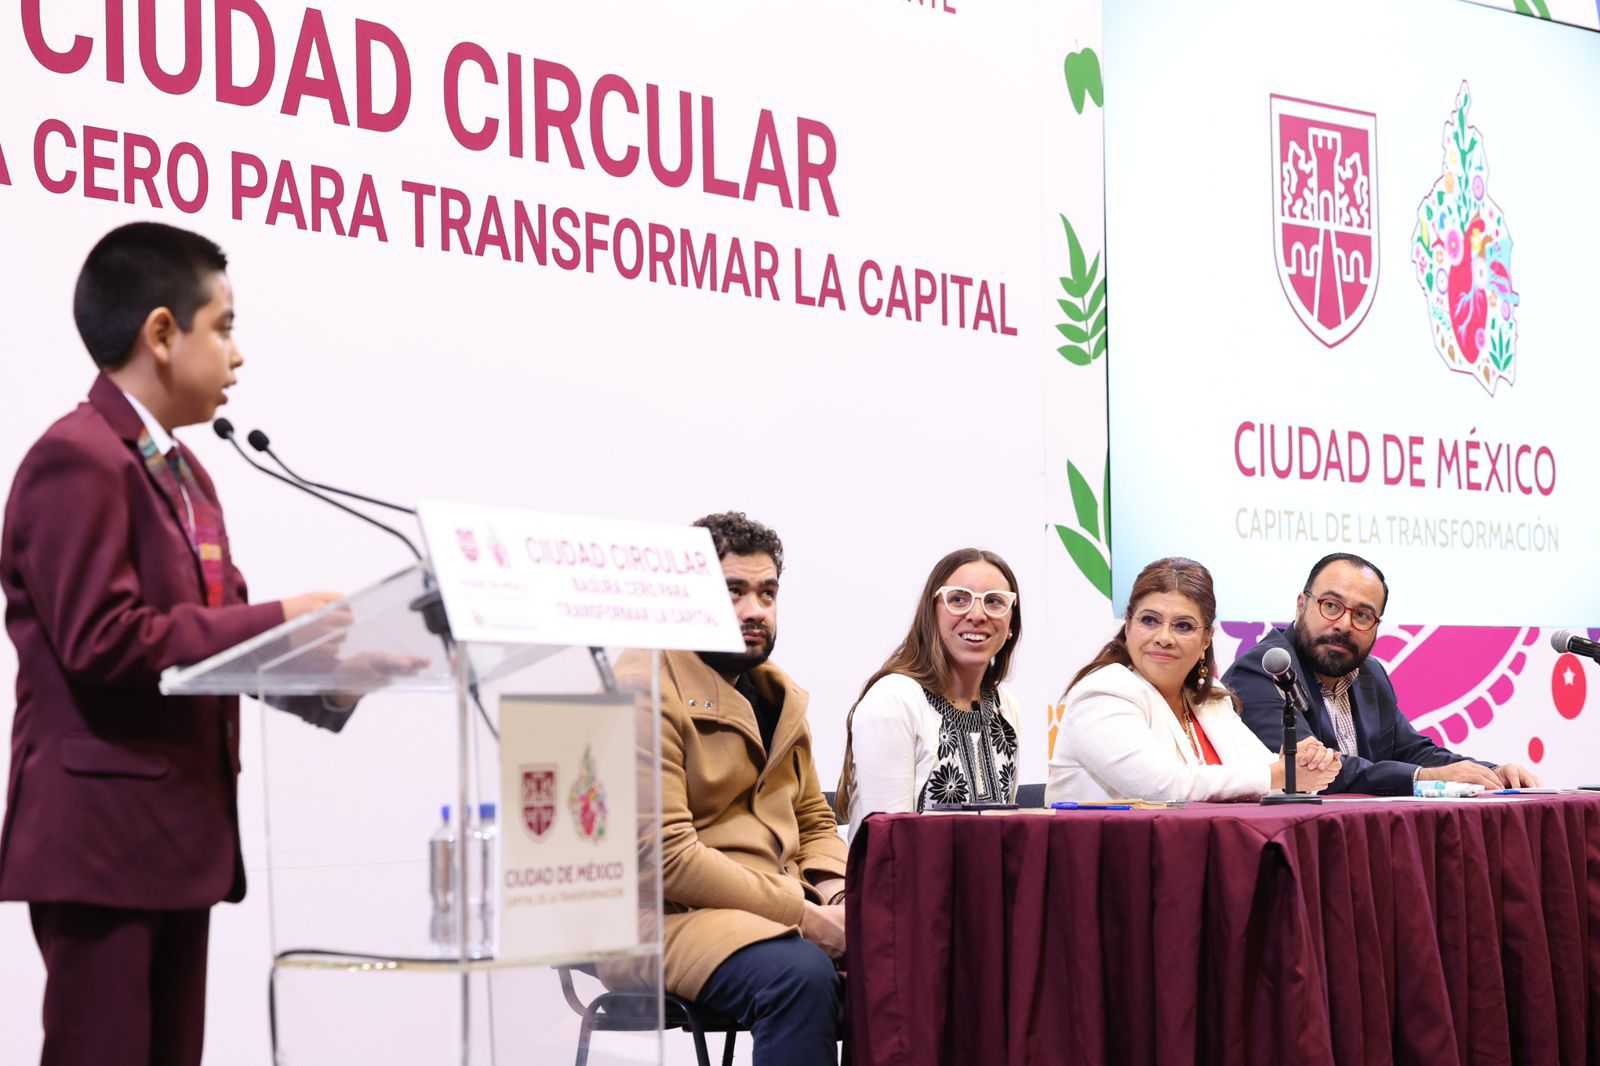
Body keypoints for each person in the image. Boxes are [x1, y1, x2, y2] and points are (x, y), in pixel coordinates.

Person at [0, 222, 366, 1066]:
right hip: (101, 841)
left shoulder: (187, 473)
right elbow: (101, 639)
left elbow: (216, 642)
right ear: (162, 333)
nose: (238, 355)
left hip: (176, 835)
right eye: (225, 327)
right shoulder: (75, 458)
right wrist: (284, 619)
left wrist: (334, 675)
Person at [613, 512, 848, 1066]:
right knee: (799, 976)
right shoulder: (641, 689)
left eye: (767, 593)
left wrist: (840, 899)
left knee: (906, 957)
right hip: (658, 920)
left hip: (770, 910)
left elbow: (814, 821)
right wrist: (804, 916)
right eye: (732, 592)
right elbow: (668, 858)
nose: (754, 610)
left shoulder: (780, 699)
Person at [1223, 552, 1541, 795]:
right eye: (1331, 606)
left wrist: (1491, 773)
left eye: (1362, 615)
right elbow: (1309, 770)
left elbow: (1413, 751)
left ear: (1377, 626)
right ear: (1301, 606)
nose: (1344, 625)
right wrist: (1425, 778)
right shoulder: (1265, 669)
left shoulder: (1369, 674)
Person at [1046, 557, 1341, 804]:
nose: (1164, 637)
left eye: (1183, 626)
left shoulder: (1211, 697)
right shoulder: (1103, 692)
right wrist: (1280, 774)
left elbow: (1271, 777)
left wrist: (1302, 767)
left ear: (1206, 639)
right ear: (1128, 626)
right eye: (1149, 620)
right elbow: (1162, 789)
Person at [836, 548, 1022, 834]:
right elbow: (889, 842)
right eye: (958, 599)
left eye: (994, 601)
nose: (977, 615)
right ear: (931, 614)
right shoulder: (893, 700)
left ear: (1011, 624)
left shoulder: (1005, 708)